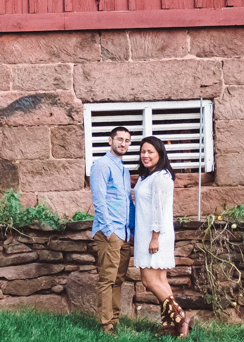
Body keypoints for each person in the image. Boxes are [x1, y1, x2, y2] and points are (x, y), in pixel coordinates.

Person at [134, 135, 190, 338]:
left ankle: (181, 317)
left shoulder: (161, 177)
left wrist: (155, 237)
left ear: (160, 154)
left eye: (150, 152)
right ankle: (169, 325)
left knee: (149, 280)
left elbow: (159, 209)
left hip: (155, 234)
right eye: (143, 151)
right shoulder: (146, 176)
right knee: (160, 279)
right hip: (145, 233)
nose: (145, 155)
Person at [90, 126, 135, 335]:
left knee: (118, 279)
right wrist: (109, 231)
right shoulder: (101, 165)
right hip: (110, 233)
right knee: (107, 279)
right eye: (119, 139)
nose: (123, 143)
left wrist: (131, 230)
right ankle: (105, 325)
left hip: (124, 233)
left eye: (127, 140)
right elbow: (99, 200)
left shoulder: (124, 170)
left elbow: (127, 201)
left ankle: (114, 320)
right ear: (110, 141)